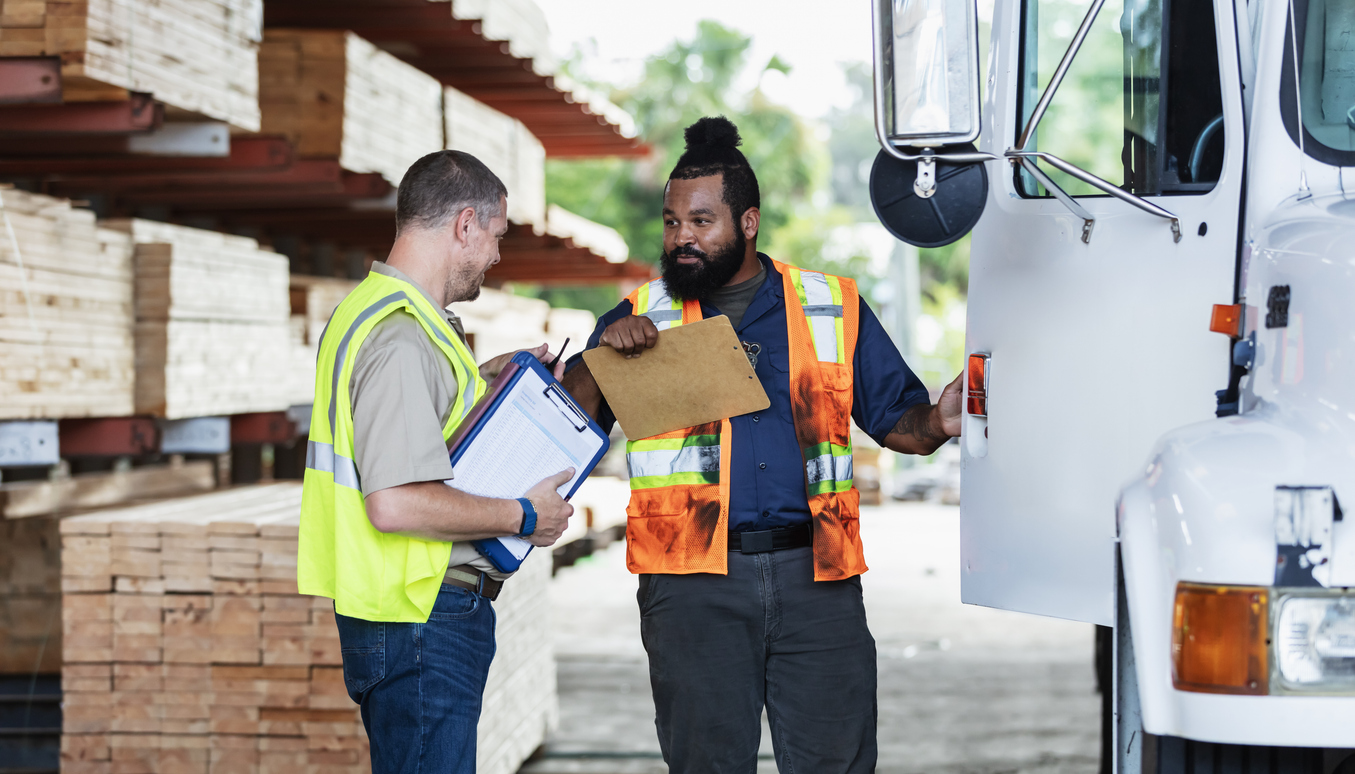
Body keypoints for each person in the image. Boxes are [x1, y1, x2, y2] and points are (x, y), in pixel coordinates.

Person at [563, 117, 964, 774]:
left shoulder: (829, 305)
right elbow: (569, 427)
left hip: (817, 582)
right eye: (671, 223)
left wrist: (939, 421)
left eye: (700, 222)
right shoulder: (642, 314)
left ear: (747, 222)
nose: (681, 239)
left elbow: (898, 421)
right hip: (692, 587)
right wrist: (598, 357)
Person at [297, 150, 575, 774]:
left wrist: (485, 379)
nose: (496, 257)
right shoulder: (402, 337)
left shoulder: (374, 312)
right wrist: (524, 514)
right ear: (465, 224)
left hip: (401, 611)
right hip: (420, 612)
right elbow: (394, 502)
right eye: (496, 238)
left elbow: (405, 426)